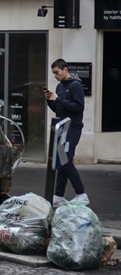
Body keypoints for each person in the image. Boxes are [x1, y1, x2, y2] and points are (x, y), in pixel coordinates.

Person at [44, 58, 88, 207]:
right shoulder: (59, 86)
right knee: (60, 162)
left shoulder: (76, 85)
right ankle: (58, 196)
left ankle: (81, 193)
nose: (55, 76)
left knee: (66, 160)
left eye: (57, 73)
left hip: (73, 127)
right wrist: (50, 100)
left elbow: (78, 107)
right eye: (53, 73)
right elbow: (58, 109)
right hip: (62, 126)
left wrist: (59, 99)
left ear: (65, 69)